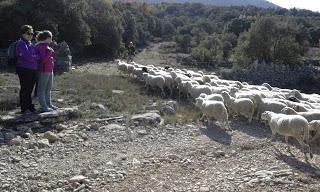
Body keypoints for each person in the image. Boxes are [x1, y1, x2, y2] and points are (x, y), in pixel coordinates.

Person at [16, 25, 38, 114]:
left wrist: (34, 56)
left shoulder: (30, 44)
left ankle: (29, 106)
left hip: (32, 69)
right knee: (25, 88)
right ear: (23, 34)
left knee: (30, 89)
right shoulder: (21, 43)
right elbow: (28, 57)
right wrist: (34, 57)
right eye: (28, 33)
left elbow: (38, 55)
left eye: (32, 33)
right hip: (24, 69)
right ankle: (24, 108)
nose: (31, 35)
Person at [35, 30, 58, 112]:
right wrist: (49, 53)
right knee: (41, 89)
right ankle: (44, 107)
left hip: (49, 70)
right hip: (43, 70)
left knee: (48, 89)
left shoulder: (46, 46)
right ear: (47, 38)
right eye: (50, 38)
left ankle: (49, 104)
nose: (51, 40)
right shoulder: (40, 46)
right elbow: (42, 60)